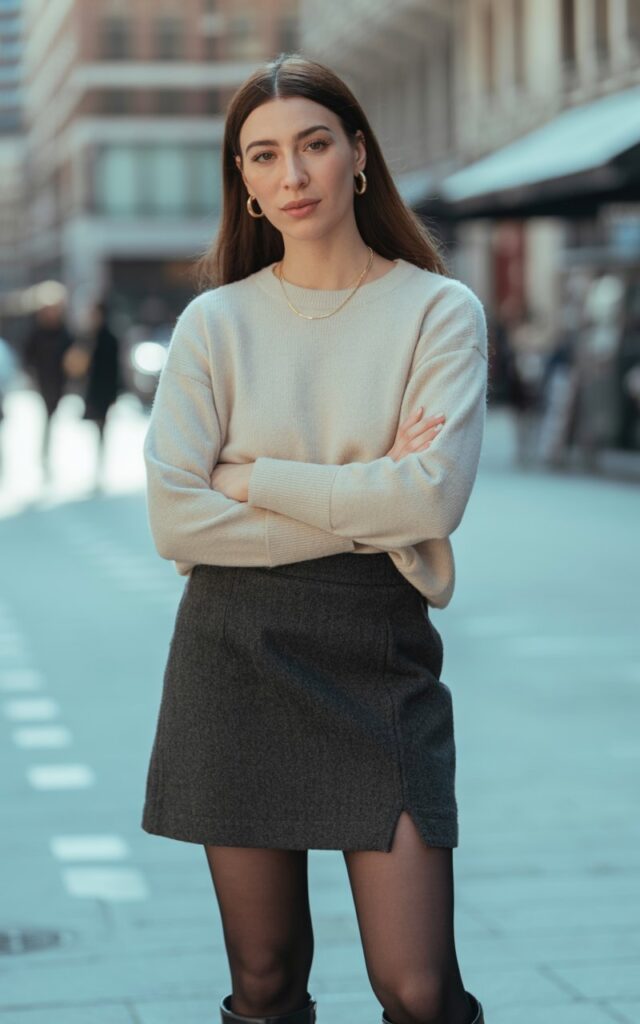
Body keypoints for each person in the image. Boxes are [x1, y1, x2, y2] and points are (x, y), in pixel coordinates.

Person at [140, 53, 487, 1024]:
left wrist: (253, 482)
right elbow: (175, 517)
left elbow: (429, 500)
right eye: (263, 156)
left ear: (358, 156)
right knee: (263, 977)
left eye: (313, 145)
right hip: (232, 653)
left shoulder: (435, 310)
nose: (291, 175)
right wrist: (362, 504)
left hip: (378, 653)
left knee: (417, 988)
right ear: (242, 182)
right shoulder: (214, 324)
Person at [22, 297, 74, 476]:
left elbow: (71, 354)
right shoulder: (37, 332)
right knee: (47, 416)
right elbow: (28, 356)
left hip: (59, 381)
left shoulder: (63, 331)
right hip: (43, 381)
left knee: (52, 417)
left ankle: (49, 454)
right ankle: (44, 455)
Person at [82, 298, 122, 487]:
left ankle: (100, 463)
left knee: (102, 427)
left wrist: (114, 394)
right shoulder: (92, 336)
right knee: (98, 427)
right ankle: (97, 463)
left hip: (103, 390)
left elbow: (114, 369)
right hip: (95, 389)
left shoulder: (107, 338)